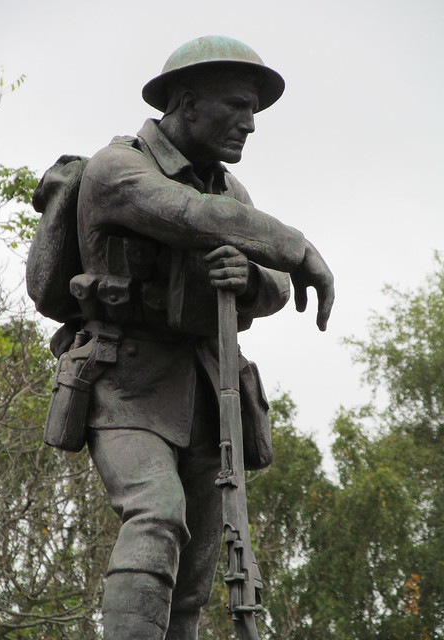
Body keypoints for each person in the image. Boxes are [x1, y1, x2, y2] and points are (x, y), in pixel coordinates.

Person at [72, 35, 334, 640]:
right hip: (126, 382)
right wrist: (299, 248)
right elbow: (194, 217)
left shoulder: (232, 193)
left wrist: (249, 280)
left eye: (253, 112)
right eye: (237, 106)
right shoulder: (119, 169)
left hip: (207, 394)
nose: (249, 123)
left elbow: (267, 284)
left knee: (195, 576)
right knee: (156, 515)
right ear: (186, 101)